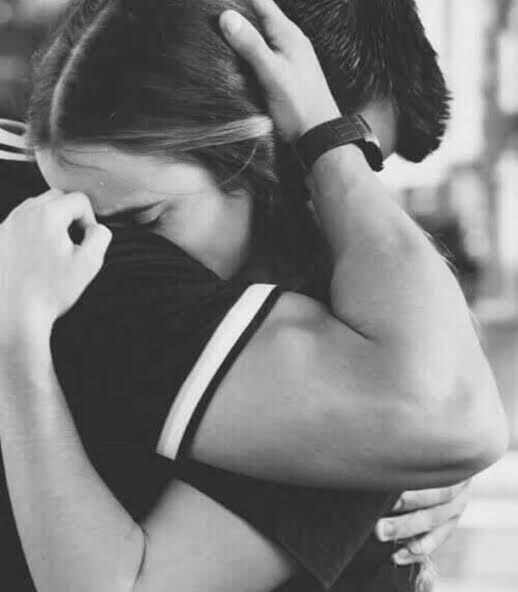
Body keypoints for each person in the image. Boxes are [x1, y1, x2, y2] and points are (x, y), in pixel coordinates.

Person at [0, 1, 507, 591]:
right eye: (335, 157)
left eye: (369, 169)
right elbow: (452, 414)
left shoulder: (309, 317)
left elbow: (447, 416)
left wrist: (414, 446)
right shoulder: (93, 249)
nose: (336, 206)